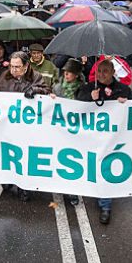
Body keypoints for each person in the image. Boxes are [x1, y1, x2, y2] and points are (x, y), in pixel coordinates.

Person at [76, 59, 130, 224]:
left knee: (106, 168)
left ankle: (105, 205)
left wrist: (125, 102)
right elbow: (76, 105)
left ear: (113, 72)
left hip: (113, 139)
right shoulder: (88, 87)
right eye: (99, 71)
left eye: (105, 71)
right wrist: (89, 98)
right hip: (91, 137)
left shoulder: (123, 90)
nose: (101, 74)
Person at [0, 51, 50, 202]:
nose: (14, 70)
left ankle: (23, 187)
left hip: (27, 127)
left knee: (23, 157)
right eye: (12, 66)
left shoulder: (36, 77)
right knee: (8, 154)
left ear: (26, 66)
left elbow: (47, 93)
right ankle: (8, 180)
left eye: (17, 67)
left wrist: (35, 90)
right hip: (9, 126)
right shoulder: (5, 76)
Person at [49, 58, 86, 207]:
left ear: (76, 74)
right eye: (65, 72)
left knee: (74, 160)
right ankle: (61, 186)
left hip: (77, 129)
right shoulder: (58, 88)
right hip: (61, 129)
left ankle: (73, 191)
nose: (66, 74)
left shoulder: (83, 89)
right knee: (61, 157)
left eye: (70, 72)